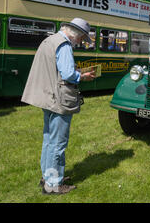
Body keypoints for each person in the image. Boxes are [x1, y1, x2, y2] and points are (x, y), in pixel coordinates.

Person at [22, 18, 96, 195]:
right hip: (59, 99)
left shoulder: (50, 40)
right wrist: (83, 76)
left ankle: (47, 177)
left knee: (49, 140)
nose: (80, 43)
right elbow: (68, 74)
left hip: (47, 96)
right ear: (76, 35)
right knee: (58, 143)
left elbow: (53, 69)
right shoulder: (64, 45)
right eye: (81, 39)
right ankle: (53, 184)